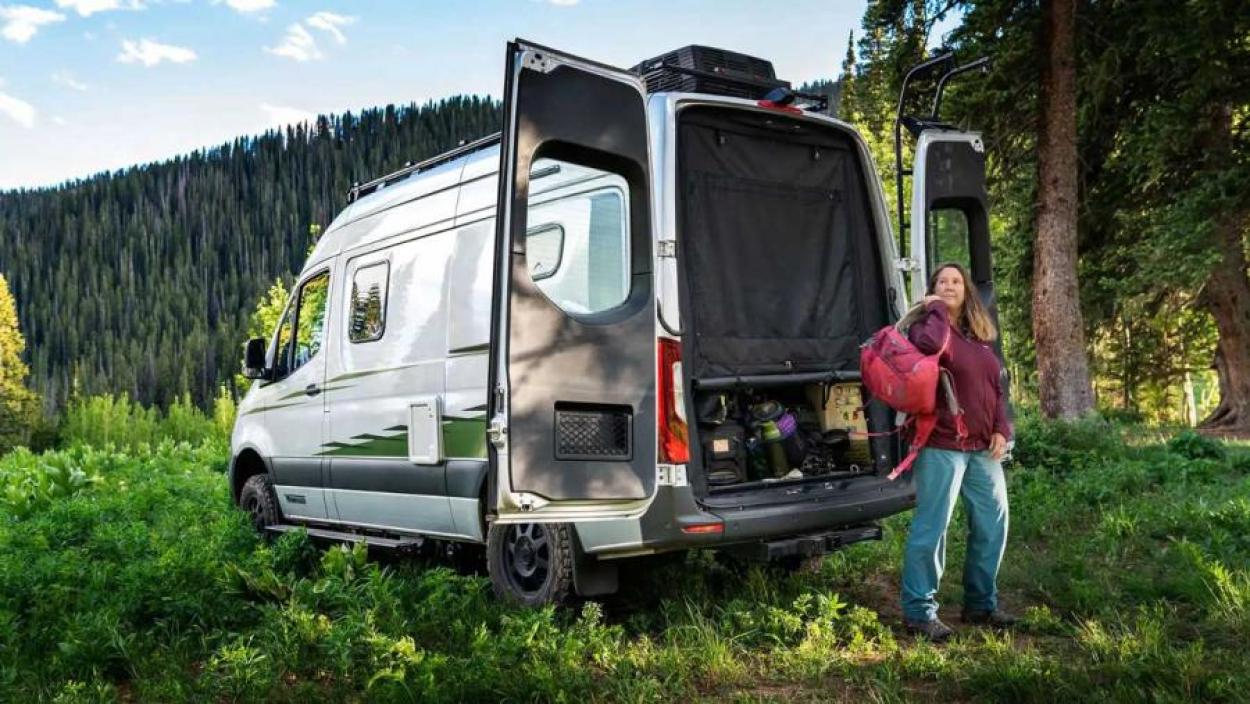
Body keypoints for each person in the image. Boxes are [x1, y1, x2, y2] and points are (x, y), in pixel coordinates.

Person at [900, 261, 1014, 642]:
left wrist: (1003, 427)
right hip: (943, 444)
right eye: (941, 282)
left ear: (966, 289)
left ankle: (981, 605)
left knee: (993, 522)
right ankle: (919, 612)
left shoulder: (977, 335)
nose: (949, 286)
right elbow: (929, 347)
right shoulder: (929, 326)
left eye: (956, 281)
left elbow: (995, 386)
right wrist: (934, 308)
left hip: (983, 447)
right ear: (933, 288)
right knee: (933, 527)